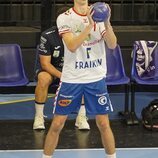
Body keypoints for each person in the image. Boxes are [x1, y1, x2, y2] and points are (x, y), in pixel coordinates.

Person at [42, 0, 117, 158]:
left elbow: (112, 44)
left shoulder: (99, 14)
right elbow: (72, 46)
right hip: (72, 79)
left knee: (103, 123)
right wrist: (89, 26)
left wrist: (107, 23)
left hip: (95, 78)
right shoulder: (65, 18)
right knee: (57, 124)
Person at [33, 7, 90, 131]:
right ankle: (38, 117)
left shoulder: (80, 34)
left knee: (84, 77)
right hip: (51, 70)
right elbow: (45, 64)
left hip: (72, 69)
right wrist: (63, 76)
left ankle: (81, 117)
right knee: (43, 78)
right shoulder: (47, 36)